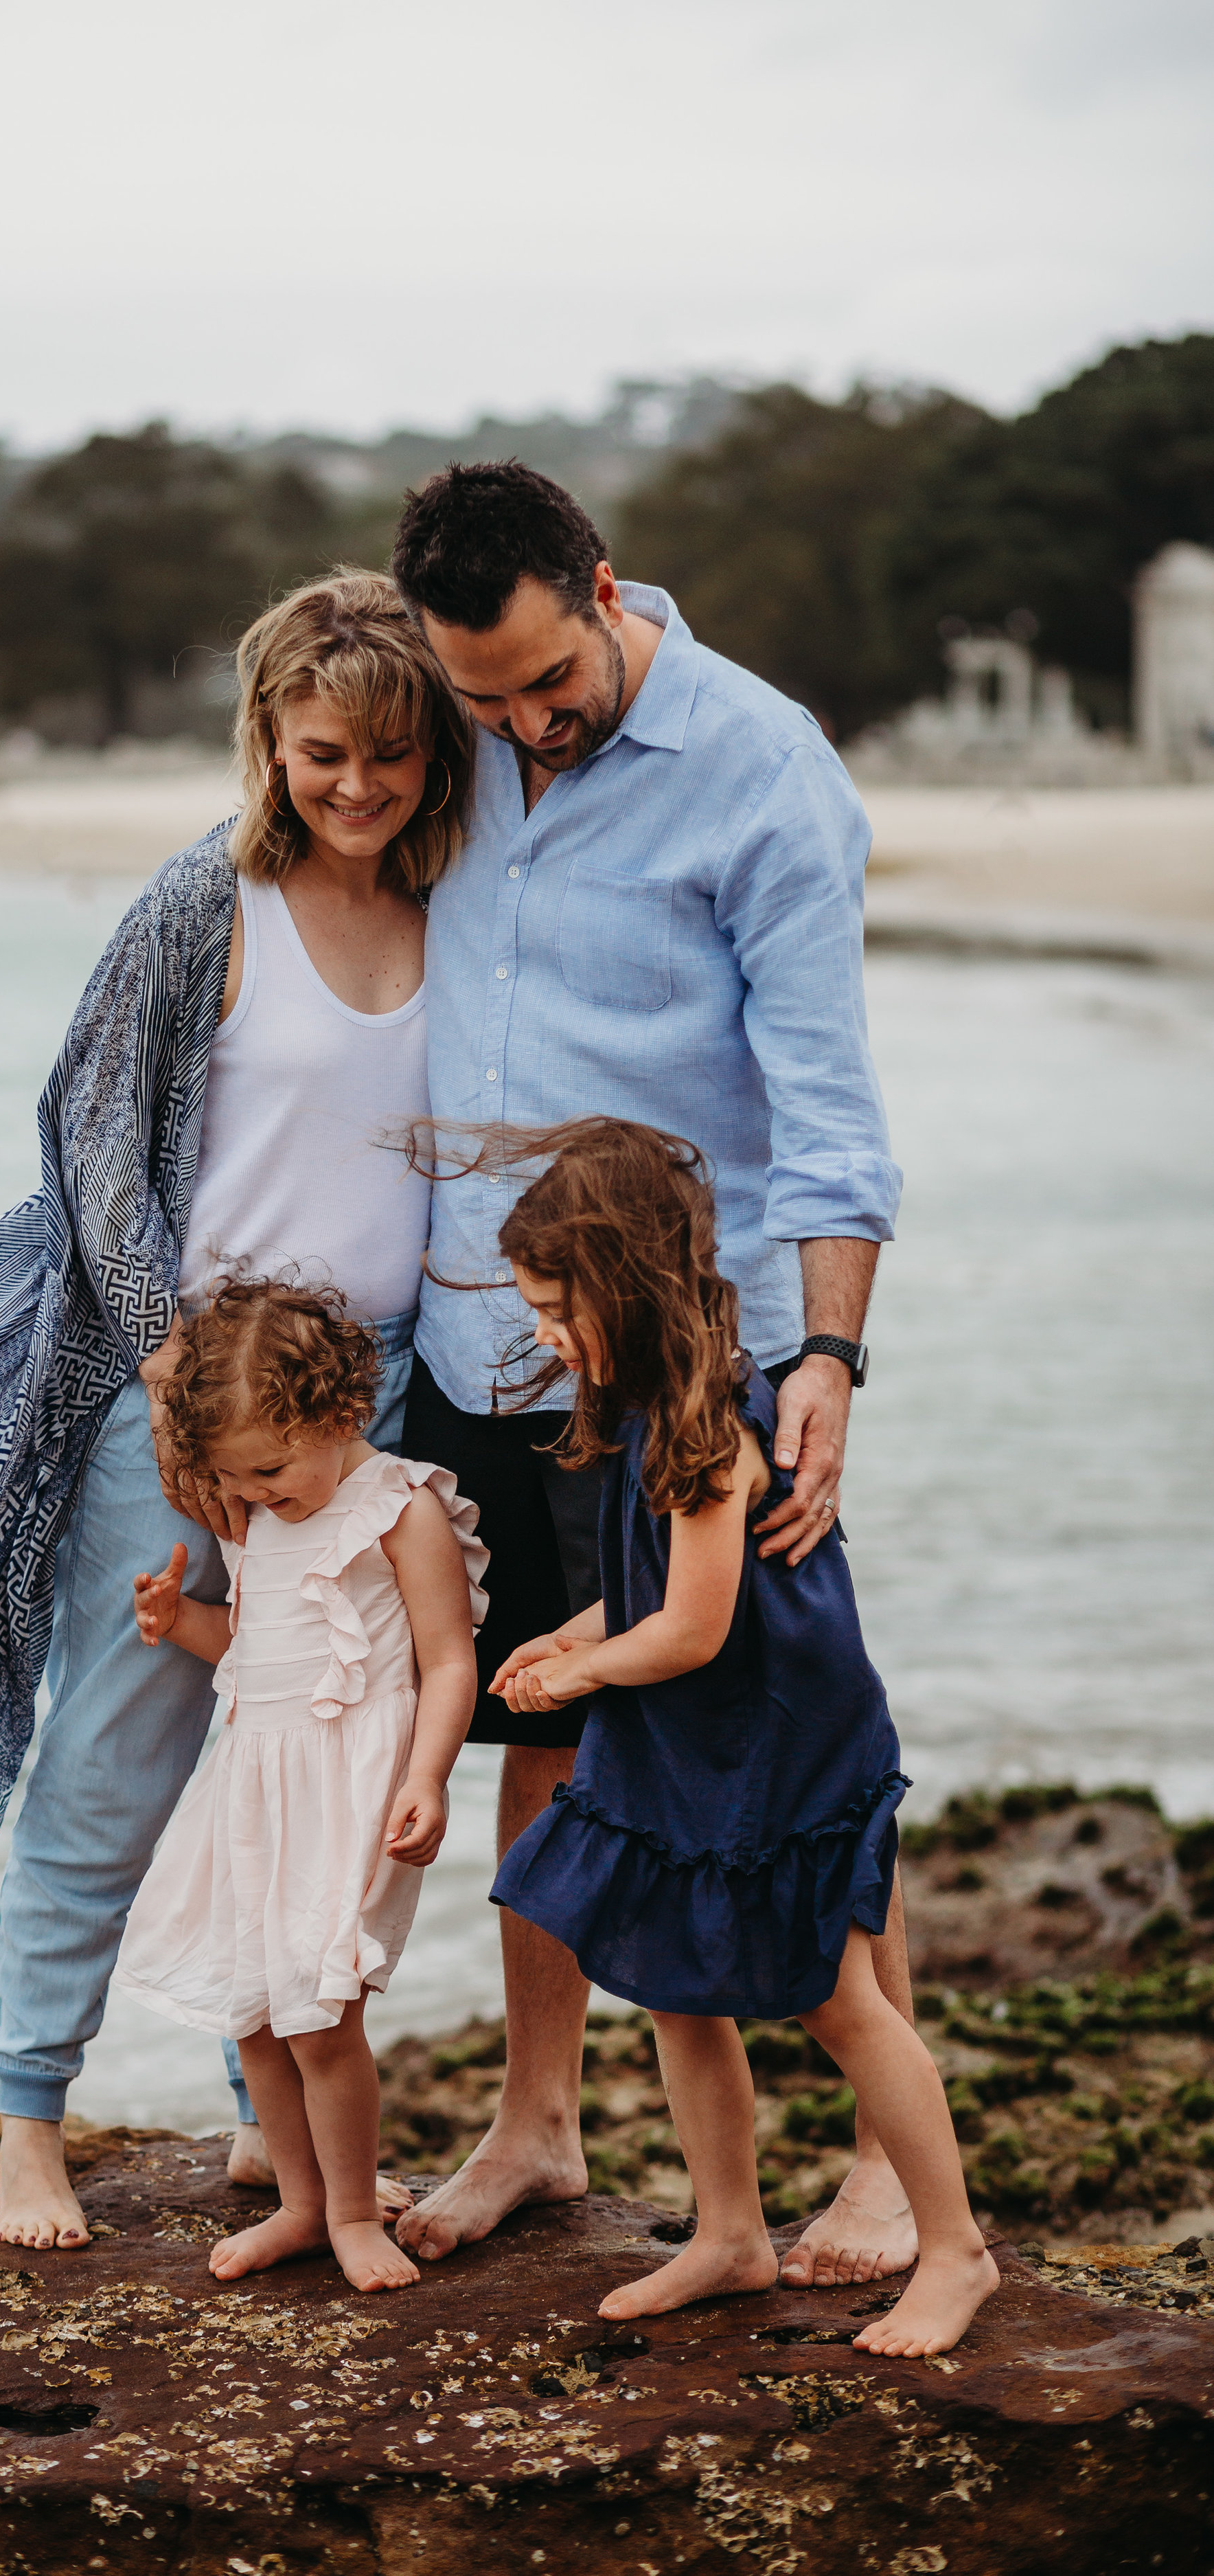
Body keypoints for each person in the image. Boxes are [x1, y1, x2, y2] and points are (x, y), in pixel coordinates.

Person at [0, 572, 472, 2255]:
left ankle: (259, 2119)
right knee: (117, 1754)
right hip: (194, 1401)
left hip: (377, 1408)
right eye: (320, 754)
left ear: (430, 753)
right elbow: (85, 1137)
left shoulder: (465, 908)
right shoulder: (198, 907)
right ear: (267, 745)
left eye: (388, 754)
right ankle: (30, 2121)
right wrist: (159, 1352)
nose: (355, 785)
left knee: (311, 1751)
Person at [388, 463, 913, 2286]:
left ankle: (882, 2169)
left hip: (709, 1348)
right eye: (485, 702)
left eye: (548, 683)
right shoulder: (448, 734)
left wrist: (829, 1352)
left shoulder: (763, 769)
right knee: (545, 1728)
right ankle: (536, 2125)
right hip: (488, 1326)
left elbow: (832, 1109)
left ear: (602, 591)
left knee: (795, 1730)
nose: (524, 725)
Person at [484, 1120, 996, 2357]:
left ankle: (957, 2249)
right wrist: (570, 1635)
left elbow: (697, 1629)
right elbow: (657, 1589)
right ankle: (729, 2233)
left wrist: (583, 1676)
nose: (545, 1334)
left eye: (558, 1308)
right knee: (670, 1981)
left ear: (622, 1284)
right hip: (692, 1736)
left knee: (842, 1999)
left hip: (773, 1739)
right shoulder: (654, 1410)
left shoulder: (708, 1425)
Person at [114, 1278, 485, 2293]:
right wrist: (174, 1622)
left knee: (321, 2015)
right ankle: (302, 2204)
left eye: (273, 1469)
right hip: (254, 1788)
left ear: (340, 1413)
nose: (263, 1495)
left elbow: (450, 1660)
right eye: (244, 1478)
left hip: (351, 1788)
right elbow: (253, 1649)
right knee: (258, 2011)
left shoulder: (400, 1510)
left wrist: (430, 1777)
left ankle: (357, 2209)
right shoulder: (265, 1516)